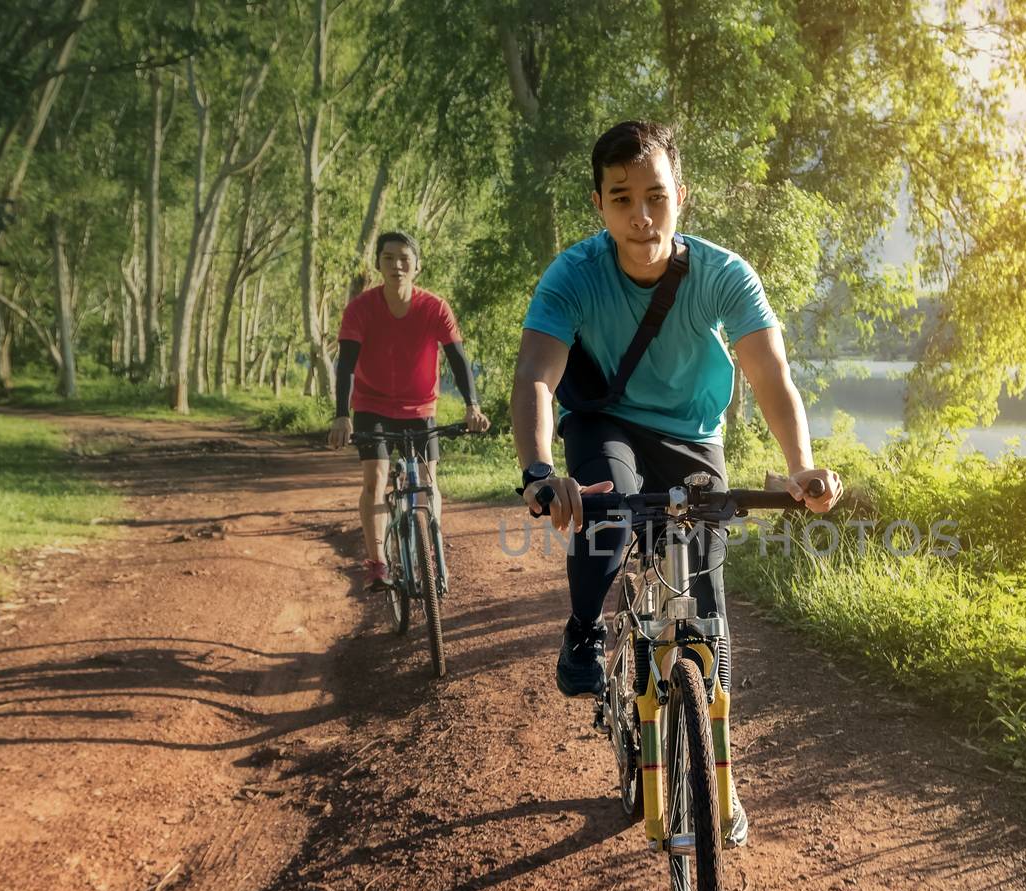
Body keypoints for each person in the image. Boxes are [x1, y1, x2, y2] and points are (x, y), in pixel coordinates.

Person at [511, 120, 842, 847]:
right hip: (604, 424)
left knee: (711, 605)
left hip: (693, 434)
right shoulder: (573, 275)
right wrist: (541, 471)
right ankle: (584, 633)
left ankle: (720, 774)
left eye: (656, 196)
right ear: (598, 203)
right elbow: (537, 376)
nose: (642, 215)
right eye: (622, 198)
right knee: (610, 518)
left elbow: (771, 376)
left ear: (680, 197)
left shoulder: (724, 273)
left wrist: (799, 466)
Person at [328, 231, 489, 591]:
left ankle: (429, 555)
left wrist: (472, 406)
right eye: (388, 258)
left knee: (428, 482)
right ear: (378, 264)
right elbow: (346, 366)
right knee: (376, 477)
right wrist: (342, 414)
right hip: (372, 406)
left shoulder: (434, 307)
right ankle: (377, 563)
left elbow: (458, 360)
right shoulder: (360, 309)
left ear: (417, 265)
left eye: (404, 258)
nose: (397, 265)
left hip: (420, 408)